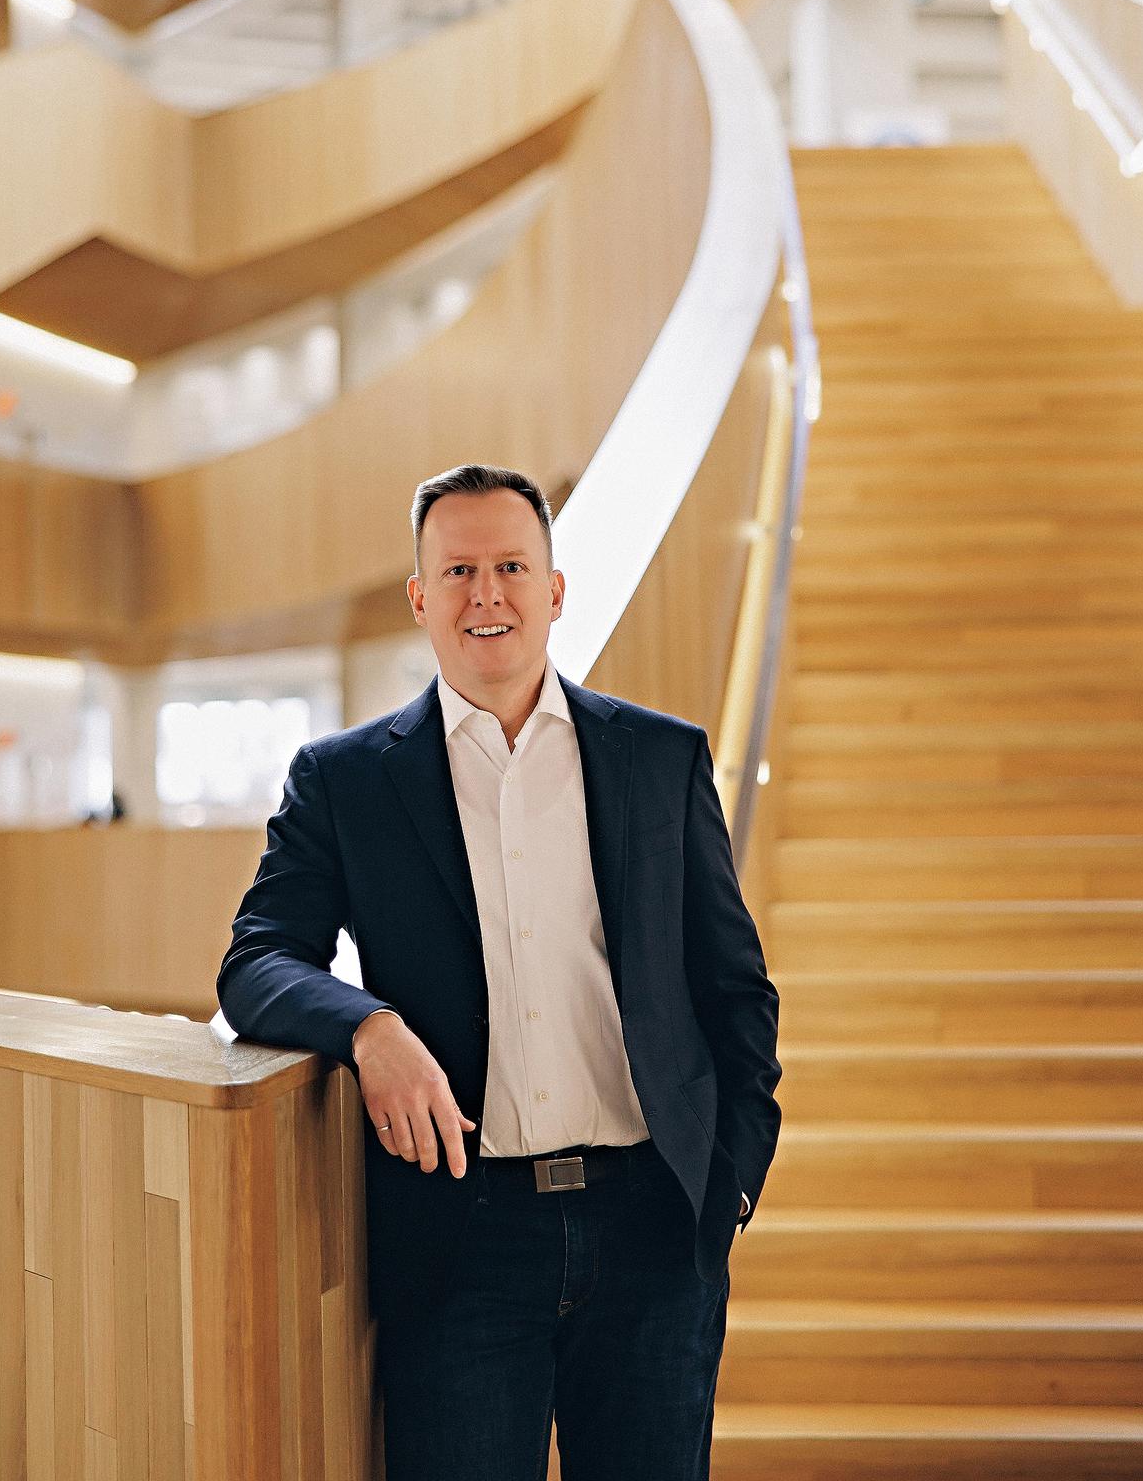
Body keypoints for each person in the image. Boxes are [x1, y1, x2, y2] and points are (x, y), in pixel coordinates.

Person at [217, 462, 782, 1479]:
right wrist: (367, 1025)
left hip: (654, 1224)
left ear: (555, 588)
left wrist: (727, 1181)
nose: (488, 594)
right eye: (460, 569)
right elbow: (256, 957)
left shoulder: (659, 758)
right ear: (420, 596)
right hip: (461, 1242)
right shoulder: (345, 779)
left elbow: (733, 985)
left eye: (512, 566)